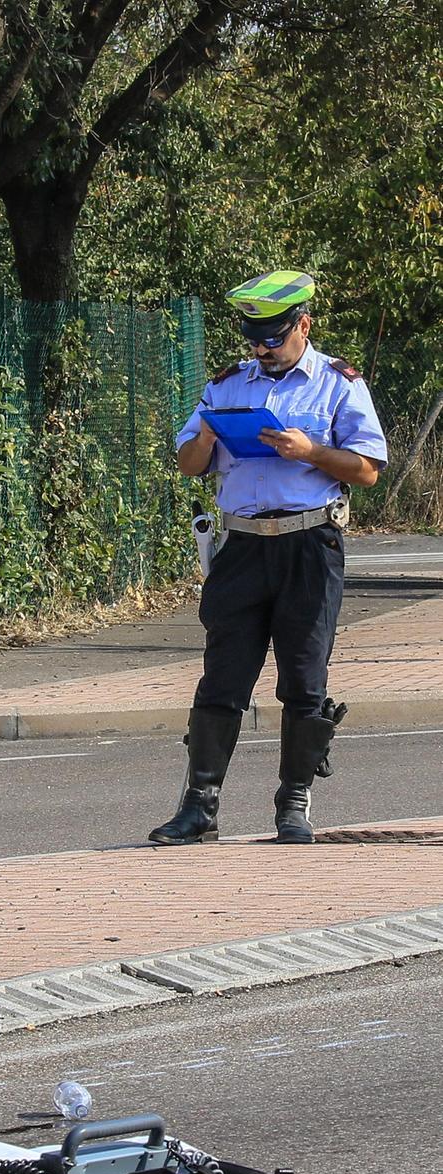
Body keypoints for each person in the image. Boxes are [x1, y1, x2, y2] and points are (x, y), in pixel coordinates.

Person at [149, 270, 388, 846]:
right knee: (222, 678)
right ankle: (199, 804)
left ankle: (294, 804)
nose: (261, 349)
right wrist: (205, 438)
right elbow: (187, 463)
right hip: (242, 547)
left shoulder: (338, 384)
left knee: (304, 681)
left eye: (273, 337)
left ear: (303, 325)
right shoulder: (228, 385)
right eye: (253, 338)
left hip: (310, 545)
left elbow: (369, 470)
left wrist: (312, 452)